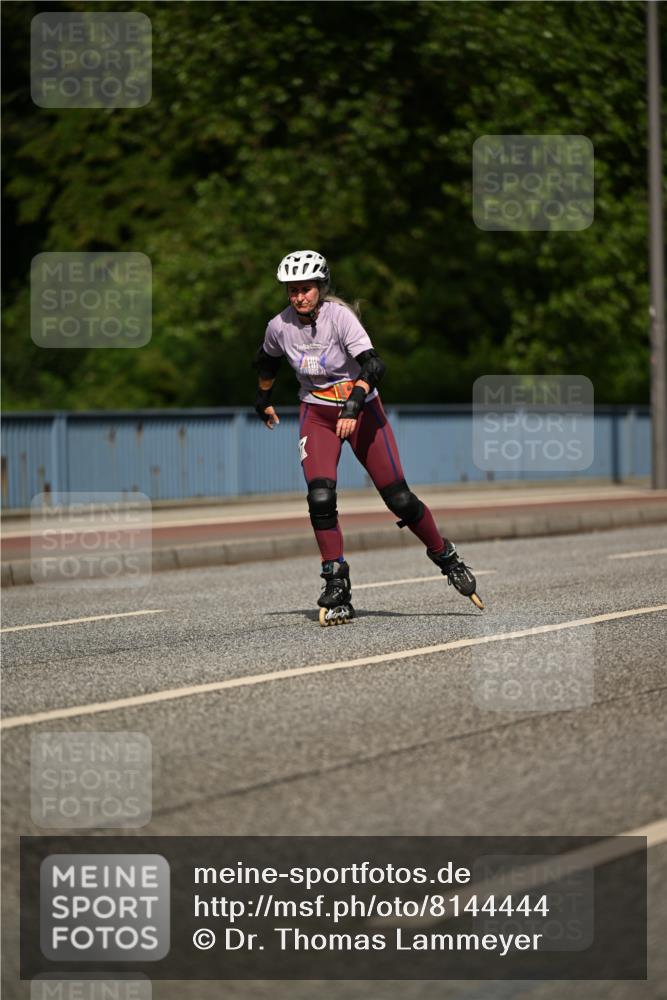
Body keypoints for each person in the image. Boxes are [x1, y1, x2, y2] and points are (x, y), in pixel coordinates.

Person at [253, 250, 483, 625]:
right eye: (292, 290)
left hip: (362, 412)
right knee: (320, 496)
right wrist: (262, 399)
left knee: (400, 499)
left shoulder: (340, 317)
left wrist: (352, 406)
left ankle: (446, 556)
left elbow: (374, 365)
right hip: (317, 414)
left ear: (321, 287)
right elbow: (267, 359)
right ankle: (336, 581)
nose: (298, 297)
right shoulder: (279, 326)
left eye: (306, 289)